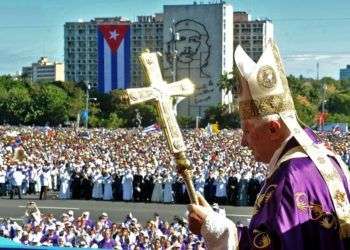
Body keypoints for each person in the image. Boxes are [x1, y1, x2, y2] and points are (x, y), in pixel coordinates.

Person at [187, 40, 350, 249]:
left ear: (273, 129)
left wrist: (216, 230)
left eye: (247, 131)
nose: (243, 142)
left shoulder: (289, 177)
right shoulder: (330, 160)